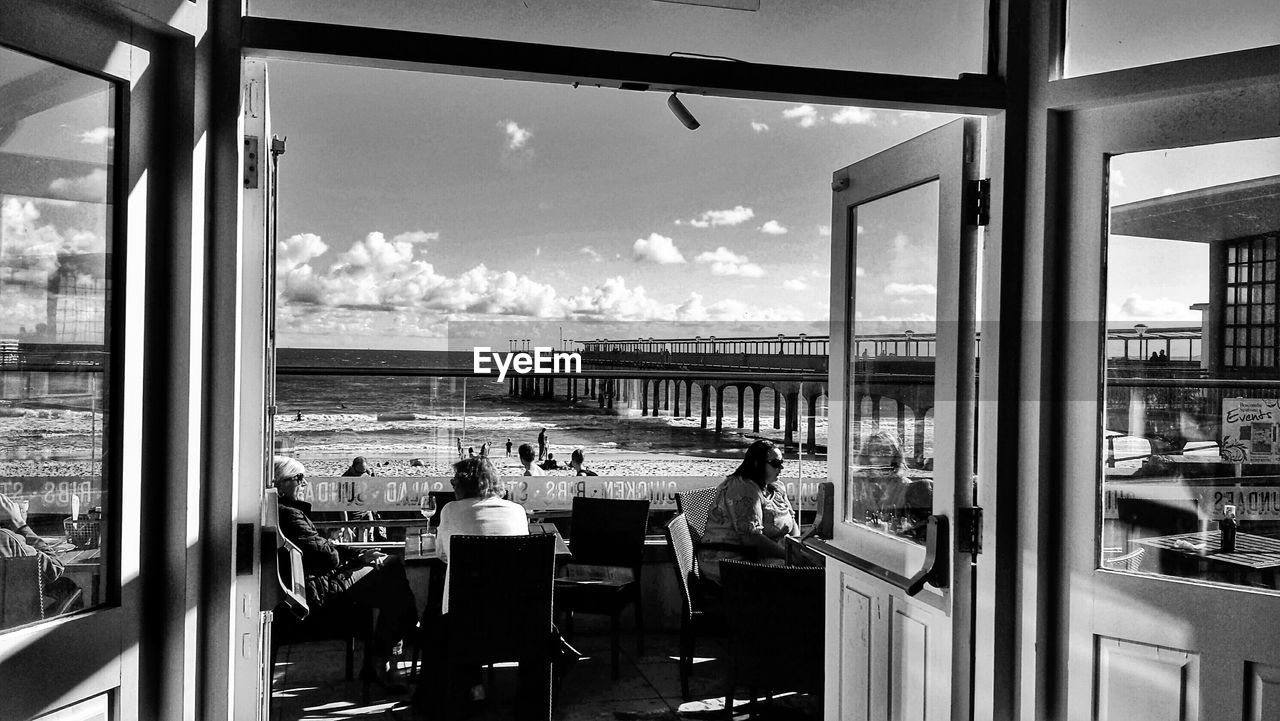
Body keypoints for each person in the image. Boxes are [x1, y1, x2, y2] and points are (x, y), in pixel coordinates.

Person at [273, 456, 417, 693]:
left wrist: (355, 554)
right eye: (298, 478)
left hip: (307, 583)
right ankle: (386, 660)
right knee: (393, 574)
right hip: (313, 590)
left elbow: (319, 548)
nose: (304, 482)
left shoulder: (280, 512)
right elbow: (326, 556)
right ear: (279, 484)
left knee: (392, 580)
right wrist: (356, 556)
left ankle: (387, 659)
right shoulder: (289, 515)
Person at [420, 457, 529, 710]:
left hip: (462, 623)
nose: (451, 485)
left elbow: (442, 555)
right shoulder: (517, 511)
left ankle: (470, 685)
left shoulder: (450, 511)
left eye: (453, 481)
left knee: (448, 603)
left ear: (465, 484)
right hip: (514, 619)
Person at [696, 439, 799, 584]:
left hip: (764, 556)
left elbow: (792, 521)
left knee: (812, 569)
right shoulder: (743, 489)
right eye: (775, 464)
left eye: (782, 462)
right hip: (734, 562)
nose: (781, 468)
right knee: (803, 579)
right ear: (757, 464)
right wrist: (788, 555)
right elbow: (751, 538)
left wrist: (797, 548)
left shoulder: (776, 487)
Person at [851, 431, 911, 528]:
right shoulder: (854, 482)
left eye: (887, 452)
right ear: (867, 456)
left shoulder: (905, 486)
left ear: (895, 456)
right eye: (876, 452)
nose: (881, 457)